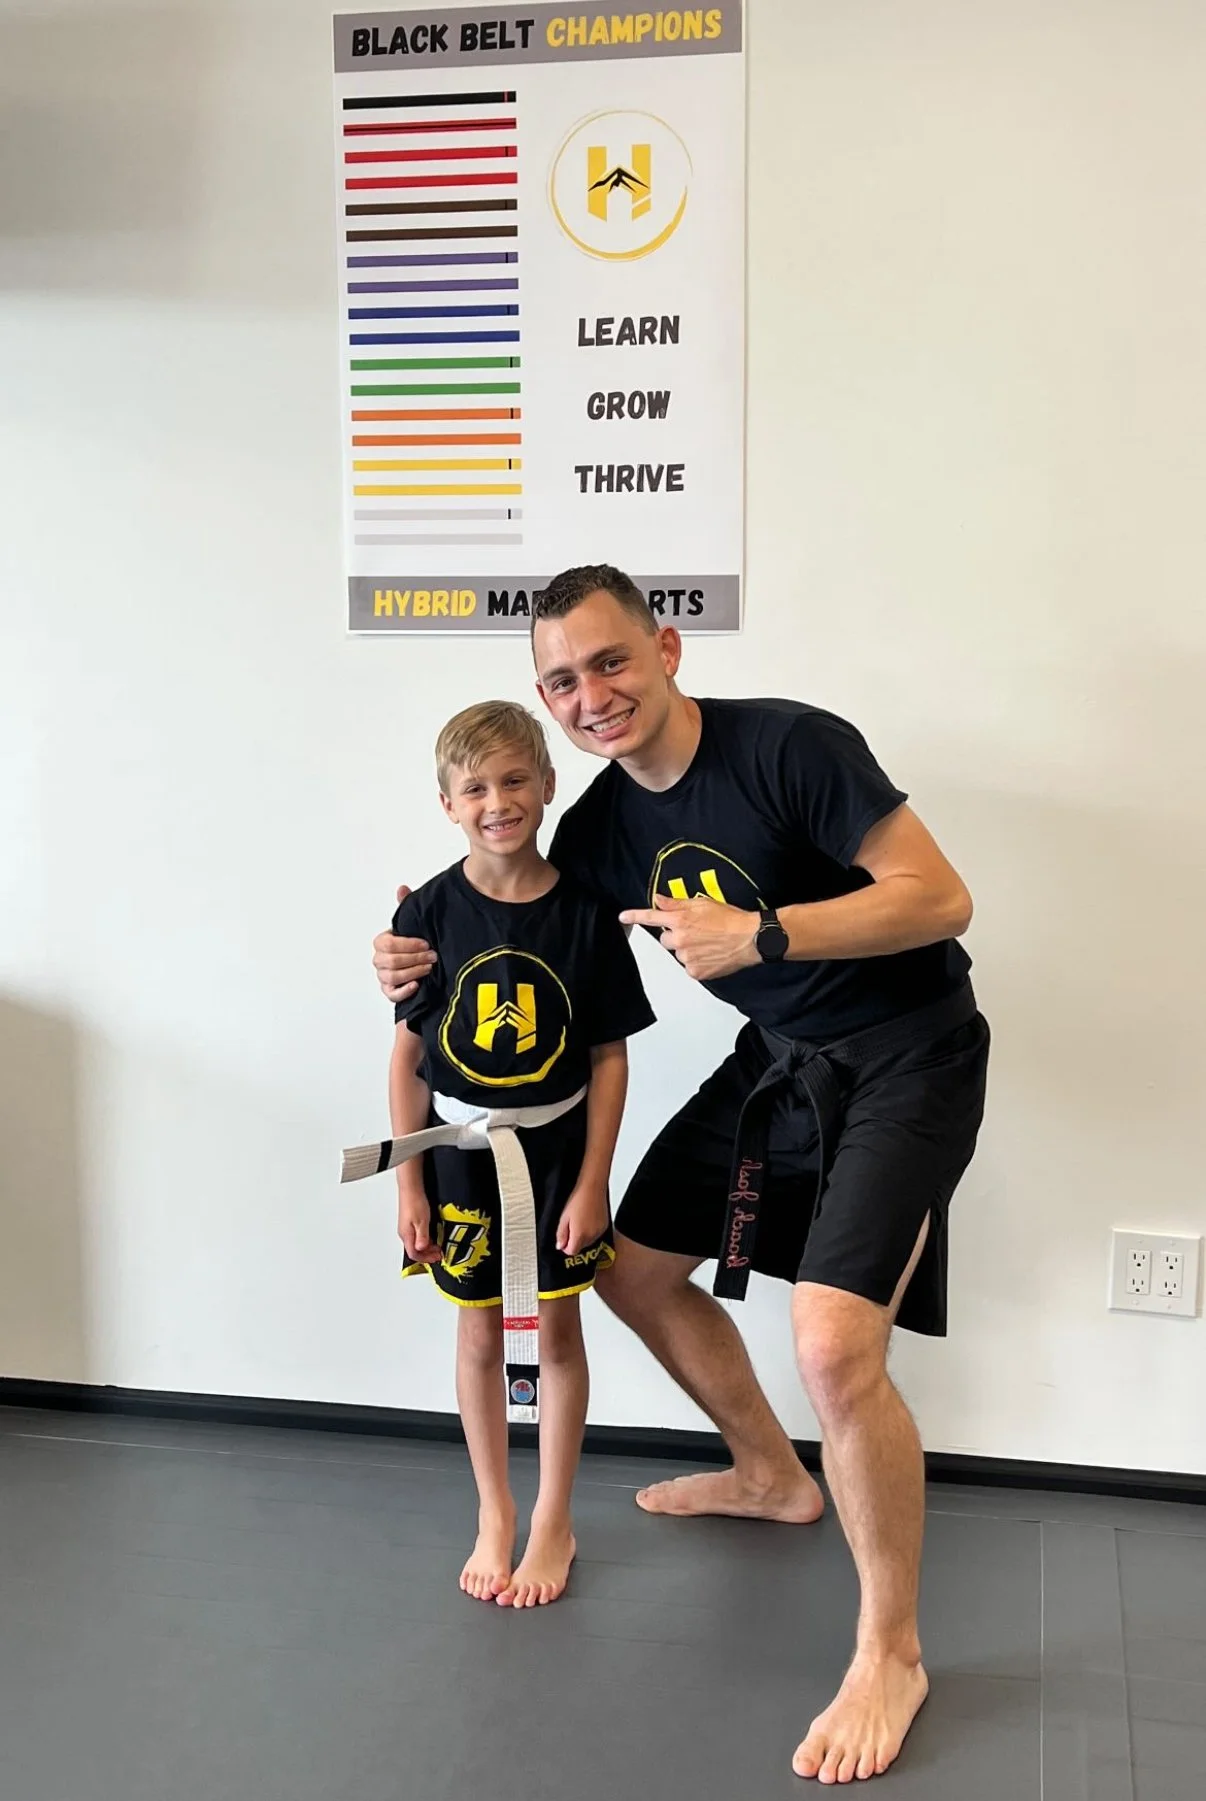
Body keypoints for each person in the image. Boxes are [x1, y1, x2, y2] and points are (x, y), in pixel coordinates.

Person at [373, 569, 989, 1781]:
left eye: (611, 662)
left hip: (912, 1049)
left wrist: (767, 935)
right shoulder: (599, 829)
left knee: (831, 1344)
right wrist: (411, 940)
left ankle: (891, 1651)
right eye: (562, 680)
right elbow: (517, 903)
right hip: (785, 1058)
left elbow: (940, 895)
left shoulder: (791, 747)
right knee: (635, 1269)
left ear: (665, 650)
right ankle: (770, 1472)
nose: (591, 695)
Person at [387, 698, 654, 1609]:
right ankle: (494, 1510)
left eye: (513, 780)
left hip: (556, 1156)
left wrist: (593, 1178)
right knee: (475, 1330)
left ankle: (553, 1518)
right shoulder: (426, 910)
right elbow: (411, 1054)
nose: (496, 800)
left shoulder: (585, 912)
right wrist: (410, 1181)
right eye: (474, 787)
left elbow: (611, 1053)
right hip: (462, 1157)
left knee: (558, 1332)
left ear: (547, 784)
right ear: (447, 803)